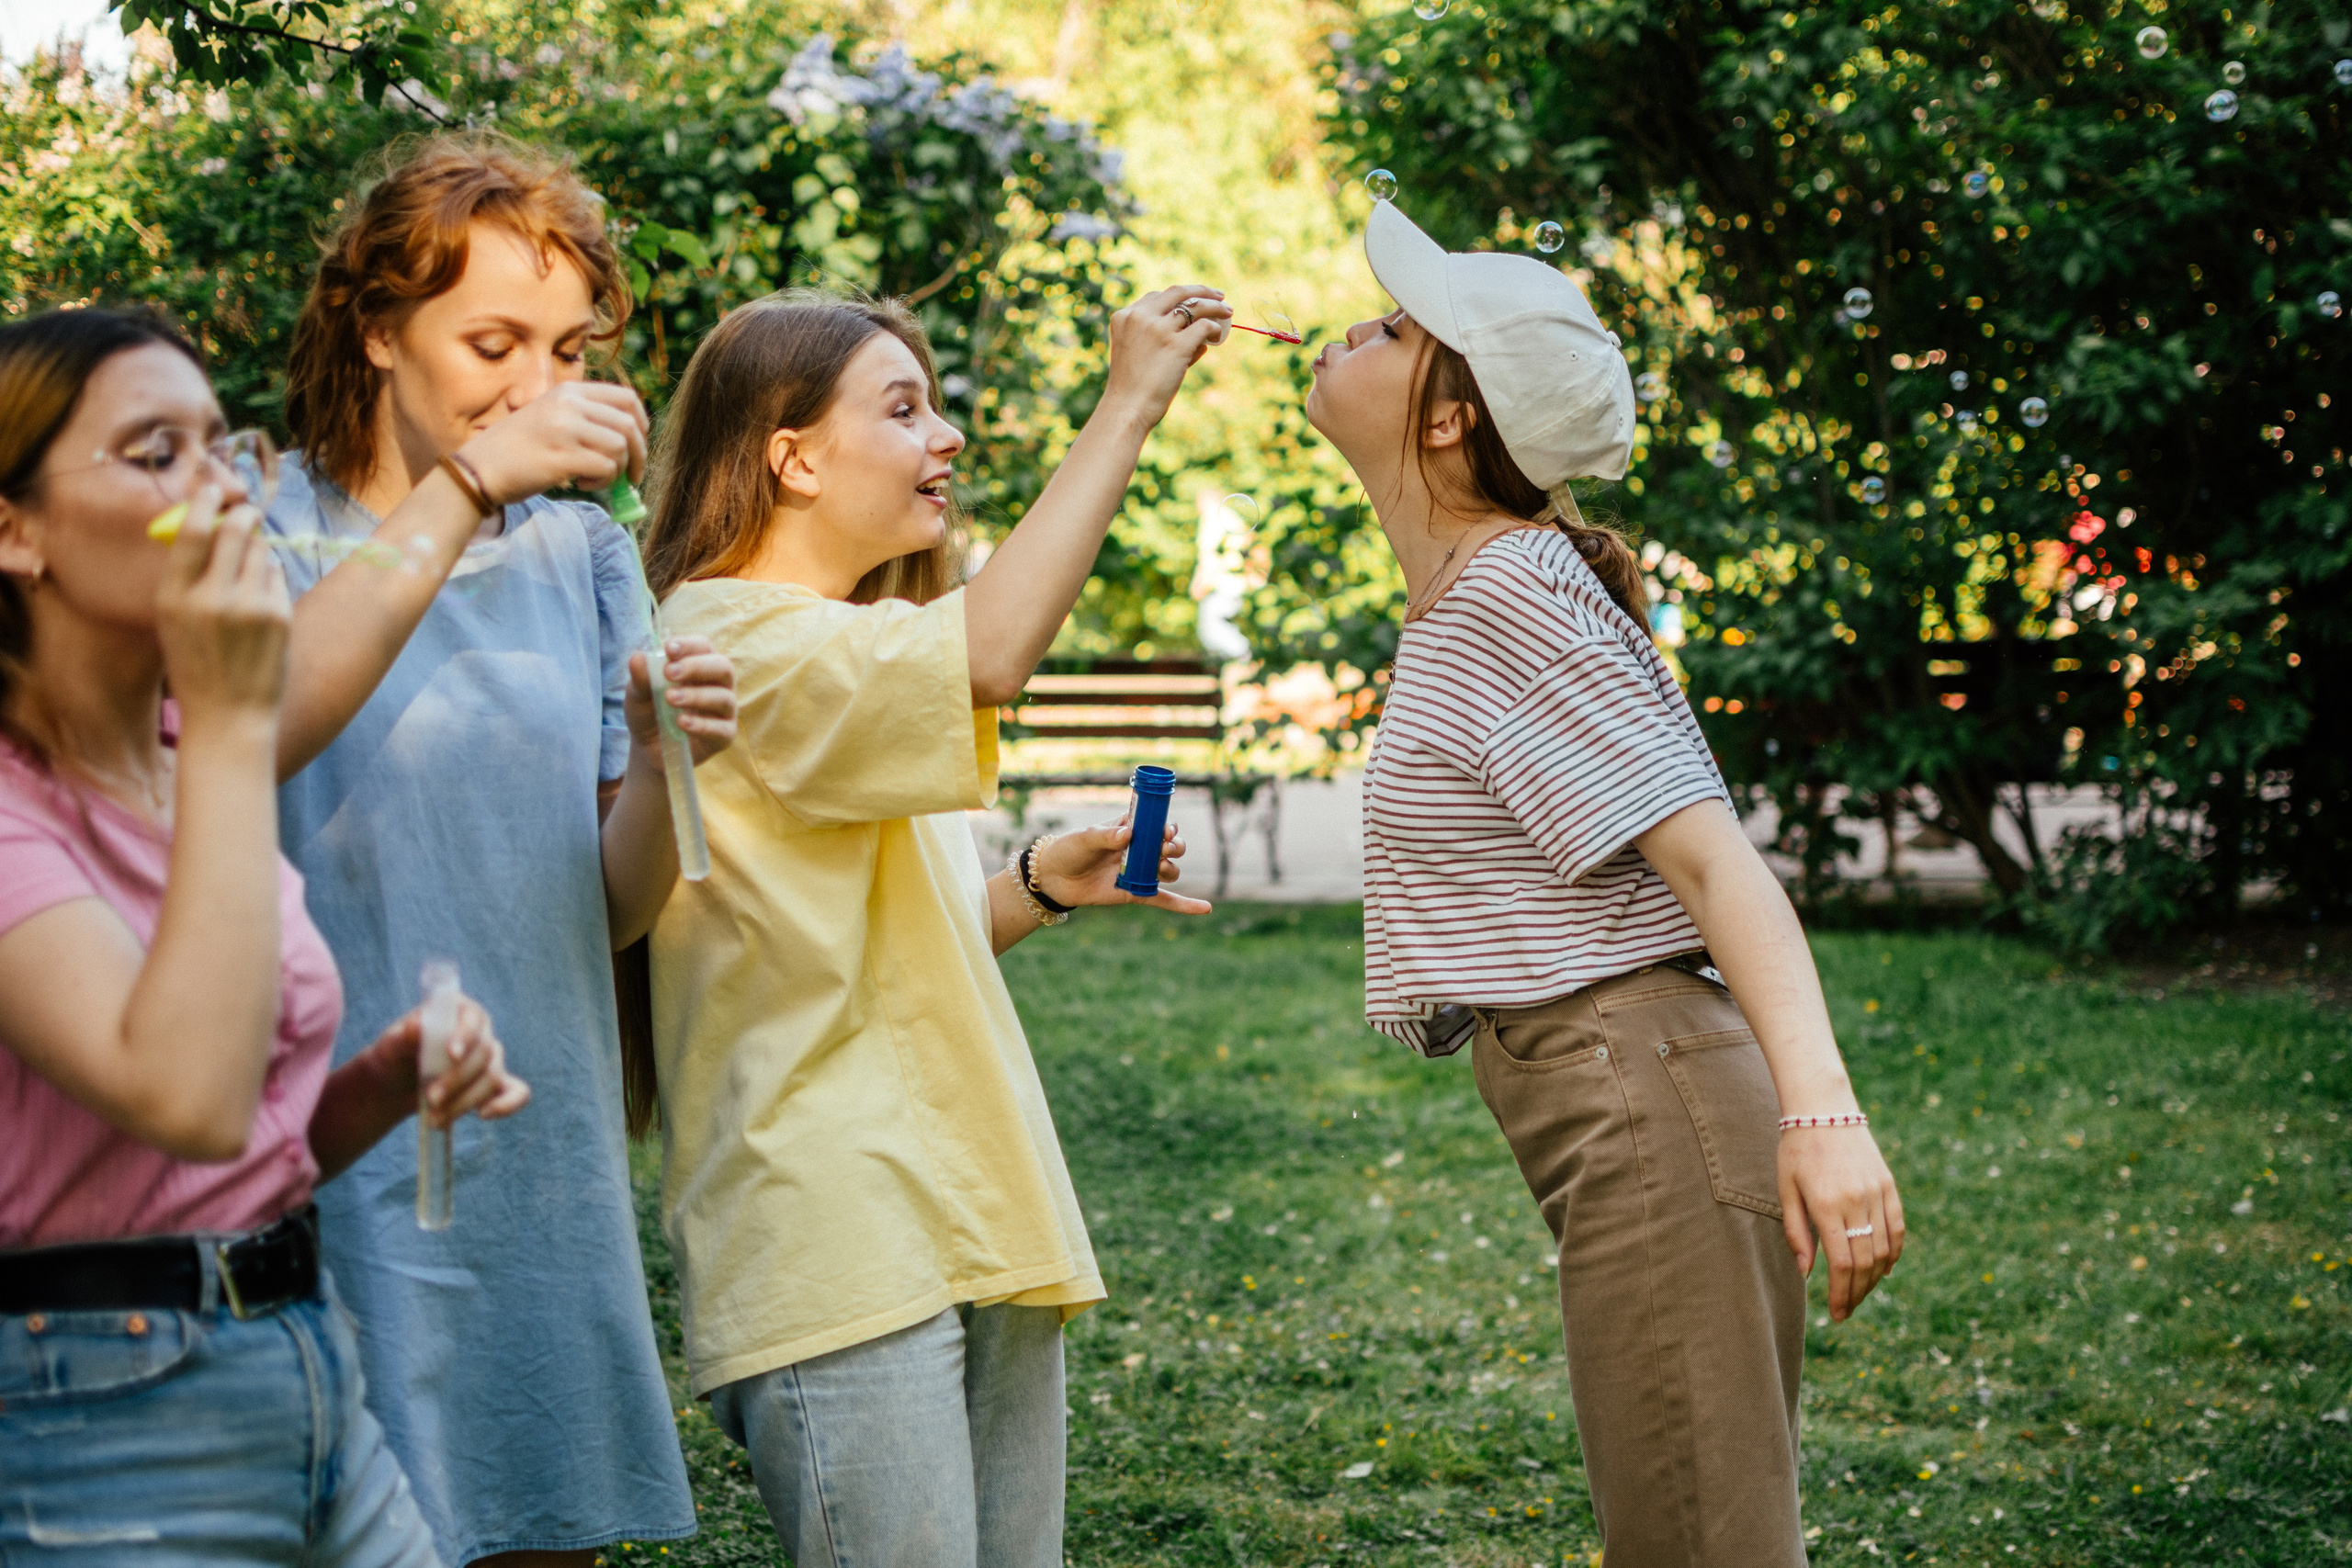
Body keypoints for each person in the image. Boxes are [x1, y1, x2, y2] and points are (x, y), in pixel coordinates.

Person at [1305, 199, 1907, 1566]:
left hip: (1644, 1092)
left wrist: (1824, 1112)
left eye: (1398, 325)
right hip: (1618, 1094)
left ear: (1451, 416)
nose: (1361, 319)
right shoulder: (1477, 593)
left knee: (1703, 1542)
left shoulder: (1511, 586)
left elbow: (1710, 856)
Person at [629, 285, 1226, 1568]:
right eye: (903, 409)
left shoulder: (840, 644)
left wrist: (1041, 889)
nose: (944, 438)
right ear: (790, 457)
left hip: (963, 1207)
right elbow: (996, 650)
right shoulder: (723, 640)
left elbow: (873, 949)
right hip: (834, 1240)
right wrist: (1133, 398)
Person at [263, 132, 738, 1566]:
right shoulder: (254, 529)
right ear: (375, 327)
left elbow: (610, 908)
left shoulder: (584, 558)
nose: (537, 386)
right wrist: (466, 485)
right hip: (325, 1139)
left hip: (538, 1141)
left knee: (542, 1529)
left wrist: (660, 763)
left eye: (568, 346)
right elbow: (257, 727)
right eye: (490, 341)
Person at [0, 307, 527, 1564]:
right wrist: (236, 724)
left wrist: (379, 1085)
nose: (222, 486)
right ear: (14, 527)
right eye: (152, 453)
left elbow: (232, 1149)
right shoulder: (41, 798)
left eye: (220, 445)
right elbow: (182, 1095)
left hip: (303, 1361)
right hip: (93, 1419)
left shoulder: (186, 760)